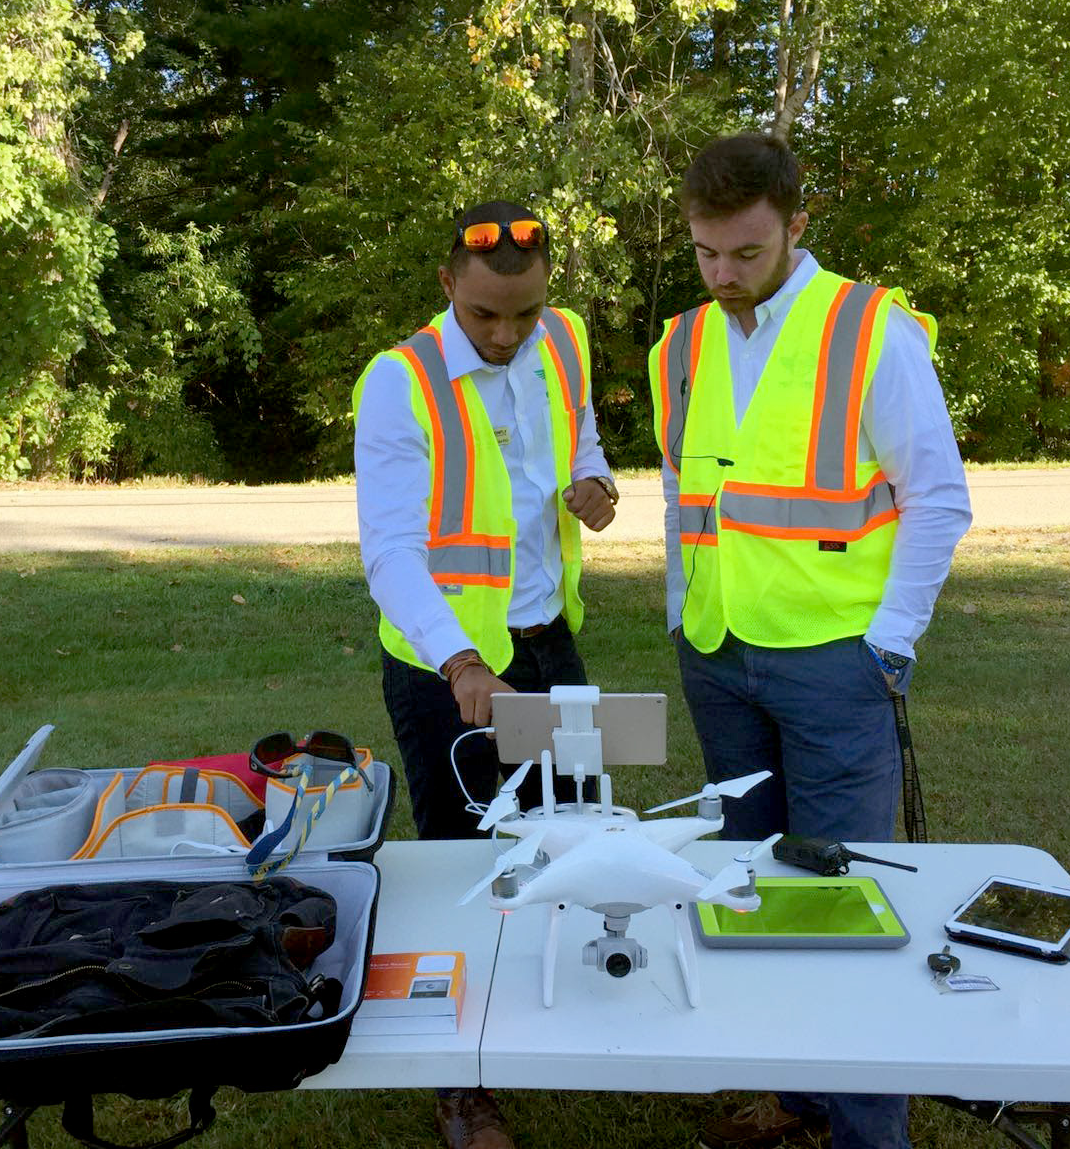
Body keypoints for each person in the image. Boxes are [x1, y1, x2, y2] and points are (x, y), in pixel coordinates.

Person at [648, 134, 972, 1149]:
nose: (723, 274)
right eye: (705, 253)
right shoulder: (680, 344)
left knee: (843, 905)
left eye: (744, 252)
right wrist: (676, 608)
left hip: (836, 659)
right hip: (718, 653)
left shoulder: (868, 329)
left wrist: (888, 644)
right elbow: (680, 491)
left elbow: (938, 500)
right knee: (749, 886)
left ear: (796, 222)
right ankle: (796, 1104)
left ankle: (870, 1136)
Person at [353, 198, 617, 1149]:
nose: (507, 335)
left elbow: (577, 431)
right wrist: (460, 660)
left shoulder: (567, 341)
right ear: (446, 287)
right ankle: (464, 1084)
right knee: (469, 865)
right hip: (448, 670)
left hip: (549, 647)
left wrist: (597, 483)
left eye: (525, 314)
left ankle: (576, 1016)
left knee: (580, 831)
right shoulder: (399, 383)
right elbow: (388, 551)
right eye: (484, 317)